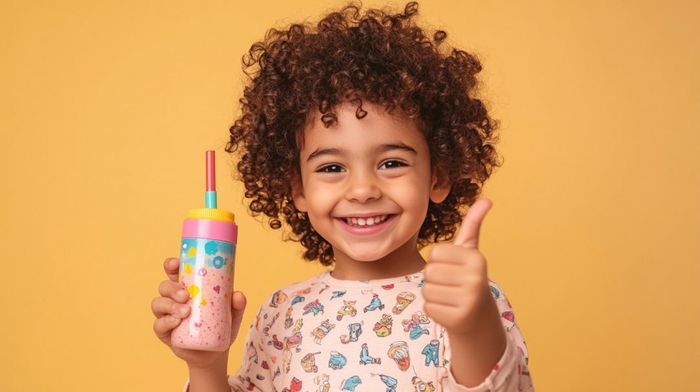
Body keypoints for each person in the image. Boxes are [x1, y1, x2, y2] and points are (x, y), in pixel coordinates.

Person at [151, 1, 534, 391]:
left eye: (392, 163)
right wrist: (206, 367)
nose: (363, 190)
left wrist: (472, 327)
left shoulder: (464, 300)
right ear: (298, 189)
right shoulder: (284, 313)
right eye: (332, 168)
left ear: (438, 176)